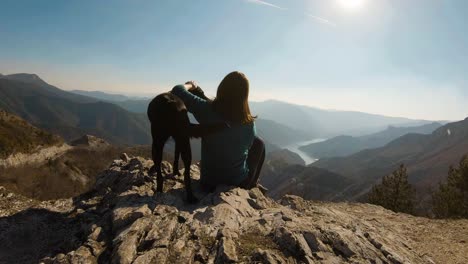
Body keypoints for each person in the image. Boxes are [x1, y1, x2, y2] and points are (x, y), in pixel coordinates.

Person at [171, 71, 265, 191]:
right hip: (237, 182)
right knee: (259, 143)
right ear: (244, 95)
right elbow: (247, 146)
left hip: (208, 182)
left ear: (221, 89)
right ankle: (251, 184)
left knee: (255, 142)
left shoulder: (206, 110)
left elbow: (177, 91)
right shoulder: (248, 123)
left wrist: (190, 85)